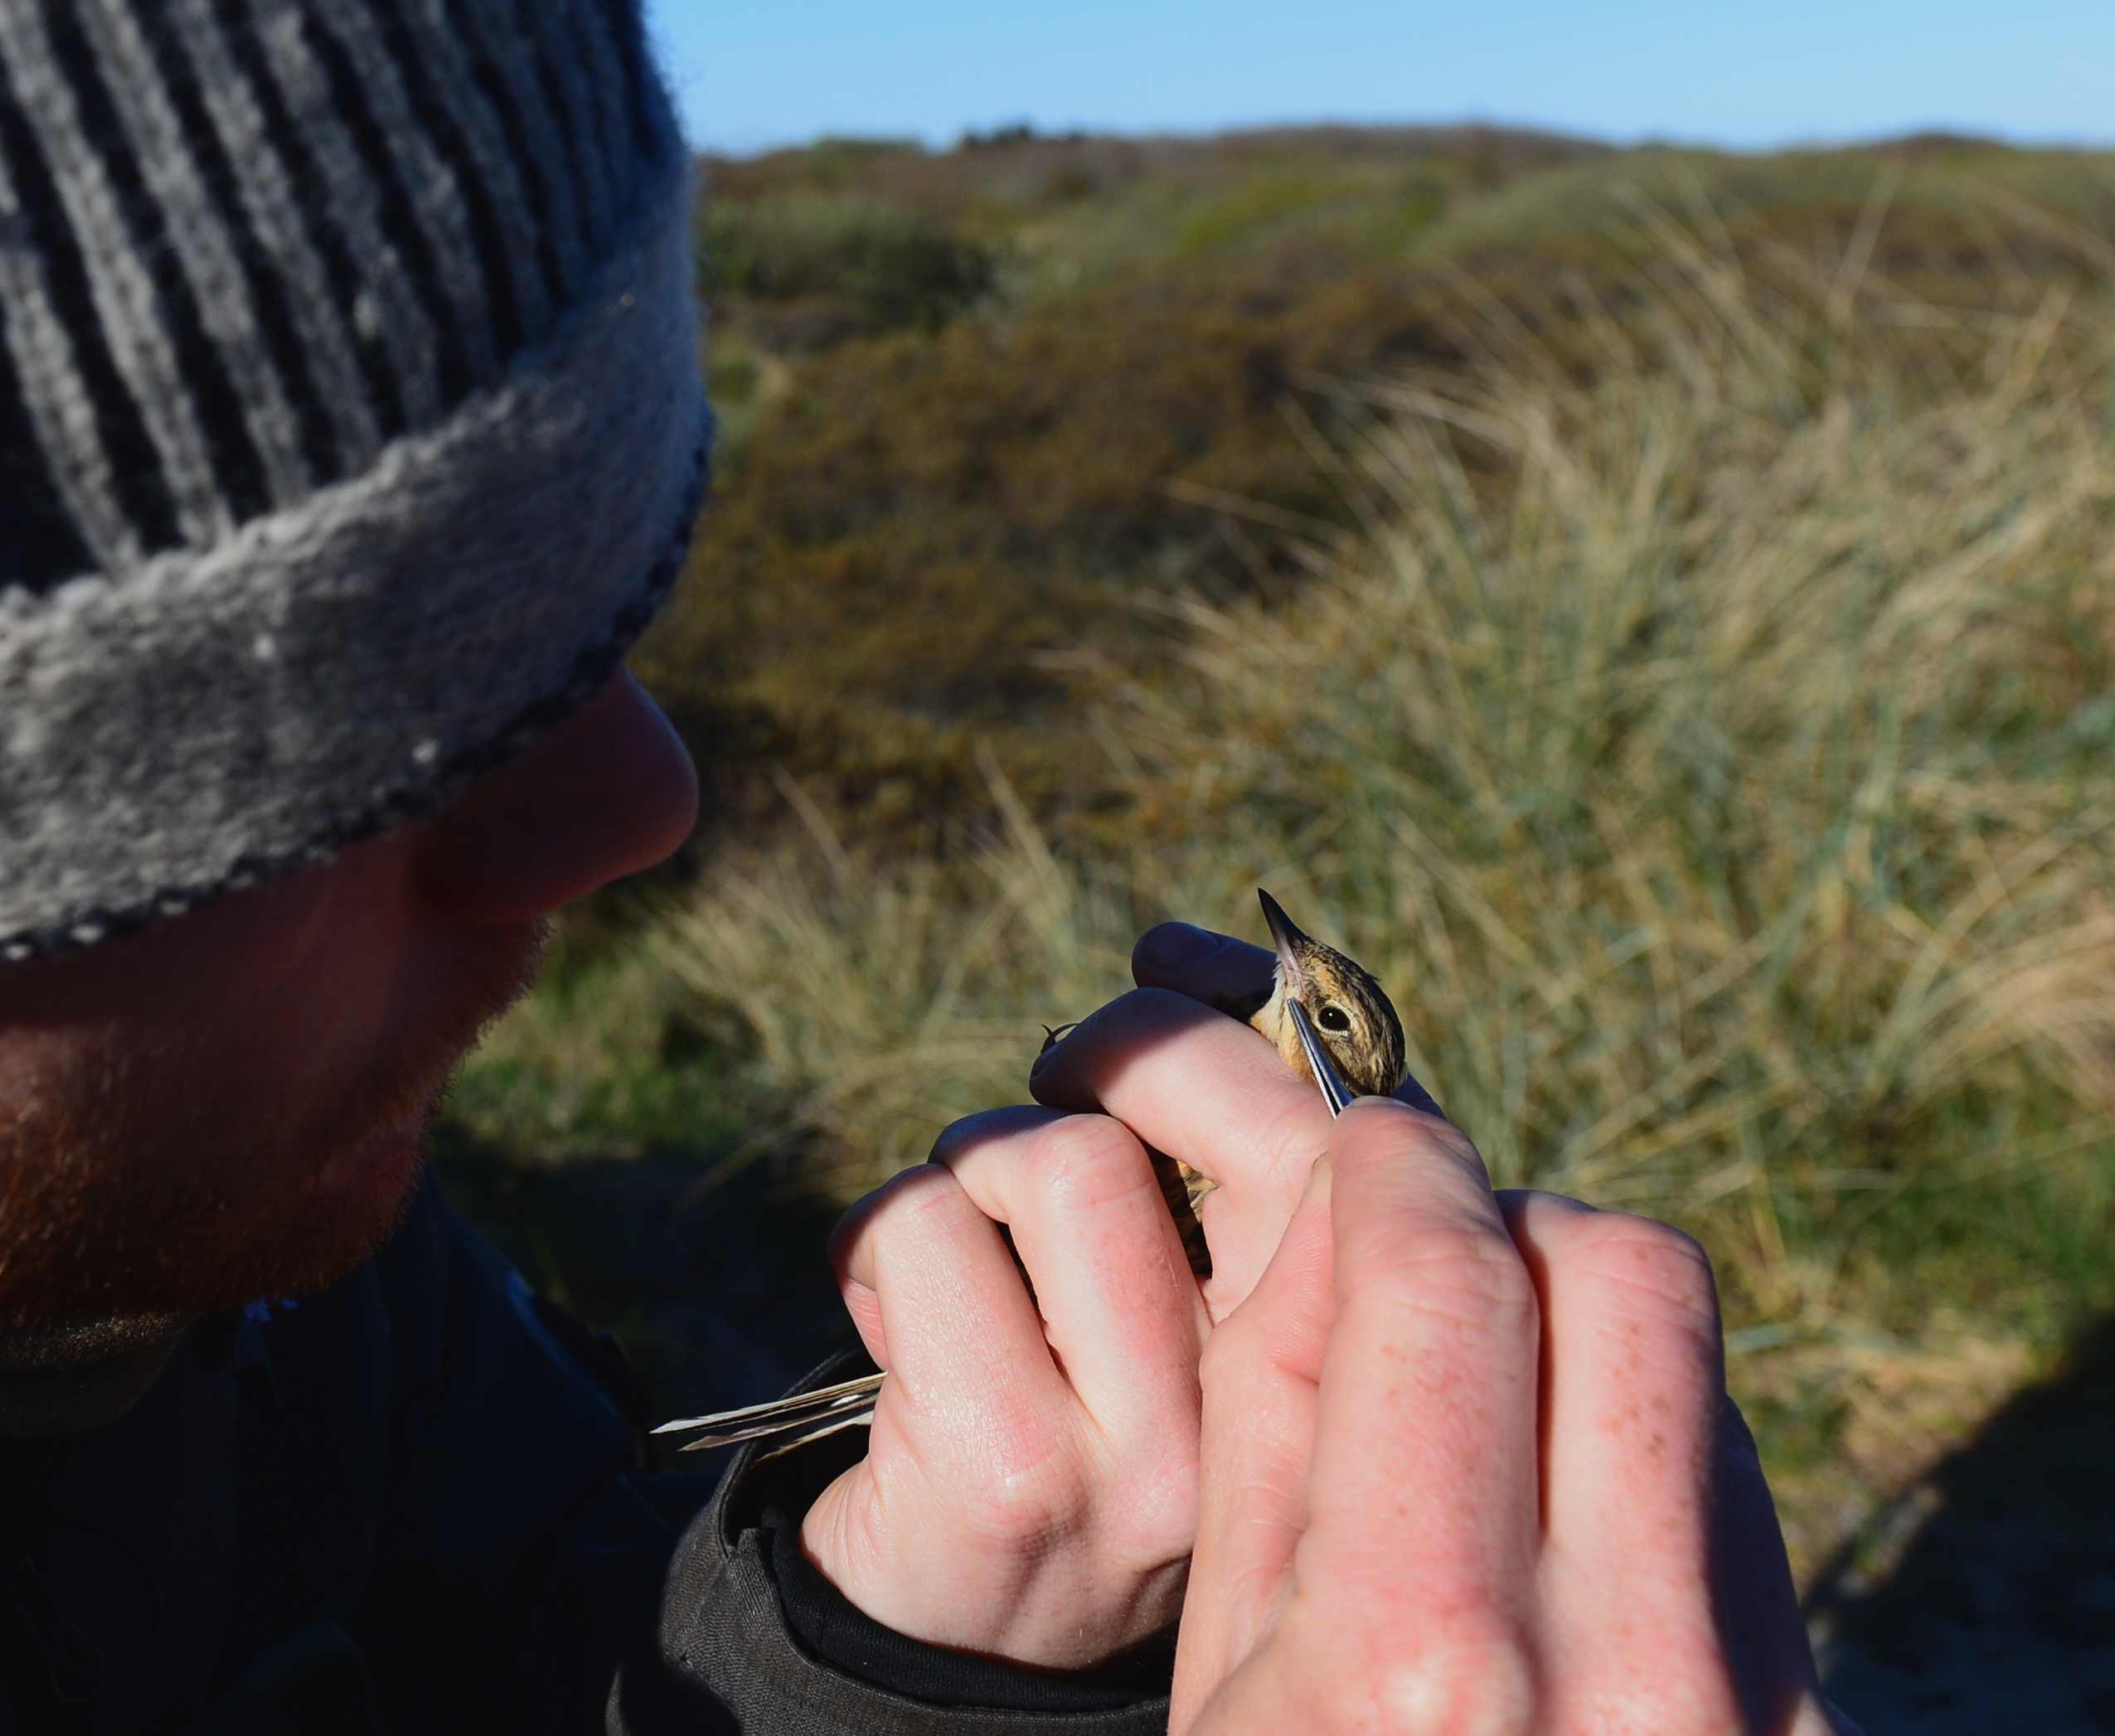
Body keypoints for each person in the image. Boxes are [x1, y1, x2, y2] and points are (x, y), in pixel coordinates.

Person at [0, 2, 1857, 1730]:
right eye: (327, 723)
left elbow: (517, 1652)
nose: (641, 806)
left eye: (586, 620)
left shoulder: (293, 1292)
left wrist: (917, 1639)